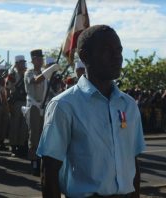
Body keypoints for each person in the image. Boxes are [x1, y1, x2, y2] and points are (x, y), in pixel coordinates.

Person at [36, 25, 145, 198]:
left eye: (119, 50)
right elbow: (49, 170)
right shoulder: (64, 105)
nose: (117, 56)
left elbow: (133, 163)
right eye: (107, 50)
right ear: (85, 56)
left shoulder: (129, 105)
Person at [24, 49, 60, 175]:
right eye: (38, 59)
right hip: (33, 106)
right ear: (33, 60)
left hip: (43, 107)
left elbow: (51, 91)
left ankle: (40, 159)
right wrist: (49, 71)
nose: (40, 61)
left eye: (41, 59)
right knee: (34, 135)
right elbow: (36, 80)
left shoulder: (45, 74)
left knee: (43, 134)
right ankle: (34, 160)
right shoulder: (29, 72)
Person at [6, 55, 28, 157]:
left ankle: (21, 145)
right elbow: (7, 90)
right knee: (15, 125)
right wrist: (9, 104)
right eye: (21, 62)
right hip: (15, 102)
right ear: (17, 64)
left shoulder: (26, 74)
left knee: (23, 126)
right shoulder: (12, 75)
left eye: (23, 62)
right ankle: (14, 146)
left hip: (25, 101)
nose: (23, 64)